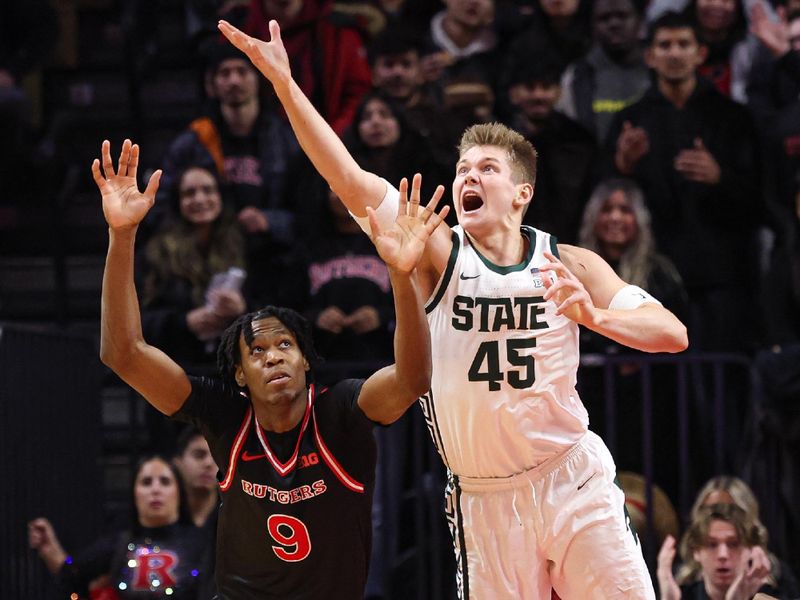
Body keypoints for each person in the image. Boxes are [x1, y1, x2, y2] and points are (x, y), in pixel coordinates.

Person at [218, 17, 688, 598]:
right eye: (463, 168)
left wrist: (598, 318)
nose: (469, 175)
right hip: (484, 497)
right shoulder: (435, 251)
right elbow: (346, 175)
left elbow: (671, 333)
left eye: (487, 168)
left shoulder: (571, 261)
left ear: (522, 192)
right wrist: (286, 86)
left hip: (573, 477)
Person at [94, 138, 446, 598]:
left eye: (285, 344)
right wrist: (121, 236)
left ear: (305, 360)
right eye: (256, 351)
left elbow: (413, 378)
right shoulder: (226, 415)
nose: (274, 355)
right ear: (239, 374)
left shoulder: (338, 411)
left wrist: (400, 275)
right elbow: (123, 353)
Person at [606, 10, 761, 353]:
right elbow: (605, 201)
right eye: (664, 45)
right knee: (660, 385)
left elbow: (759, 201)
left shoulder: (733, 118)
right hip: (650, 273)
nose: (674, 53)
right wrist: (623, 166)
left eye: (683, 44)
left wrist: (720, 178)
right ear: (650, 56)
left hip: (722, 275)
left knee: (719, 381)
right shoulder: (630, 121)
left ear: (700, 53)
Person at [29, 455, 210, 599]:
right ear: (134, 493)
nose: (156, 490)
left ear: (179, 492)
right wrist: (50, 550)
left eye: (165, 481)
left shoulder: (204, 544)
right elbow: (70, 573)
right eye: (146, 482)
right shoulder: (119, 544)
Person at [557, 0, 651, 144]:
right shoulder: (576, 75)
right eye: (604, 18)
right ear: (592, 26)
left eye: (622, 16)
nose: (614, 24)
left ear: (640, 20)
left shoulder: (660, 69)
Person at [657, 503, 776, 600]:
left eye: (733, 544)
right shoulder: (681, 596)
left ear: (751, 549)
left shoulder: (768, 595)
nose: (722, 555)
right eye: (712, 545)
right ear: (696, 551)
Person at [173, 425, 220, 530]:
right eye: (199, 455)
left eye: (216, 457)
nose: (208, 463)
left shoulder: (233, 518)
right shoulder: (165, 517)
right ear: (178, 462)